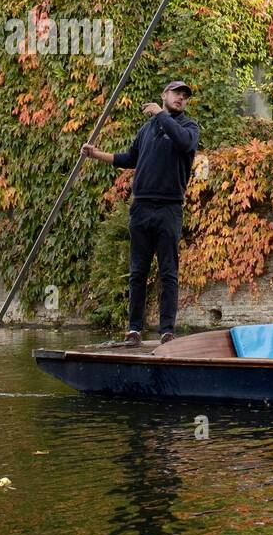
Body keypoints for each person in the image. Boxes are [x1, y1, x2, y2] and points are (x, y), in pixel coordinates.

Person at [81, 81, 200, 347]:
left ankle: (167, 330)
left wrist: (160, 114)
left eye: (184, 96)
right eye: (176, 93)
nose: (180, 98)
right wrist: (95, 154)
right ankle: (134, 330)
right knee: (138, 272)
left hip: (169, 208)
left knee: (168, 272)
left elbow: (183, 143)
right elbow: (129, 159)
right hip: (142, 207)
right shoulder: (147, 130)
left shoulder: (189, 128)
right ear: (164, 94)